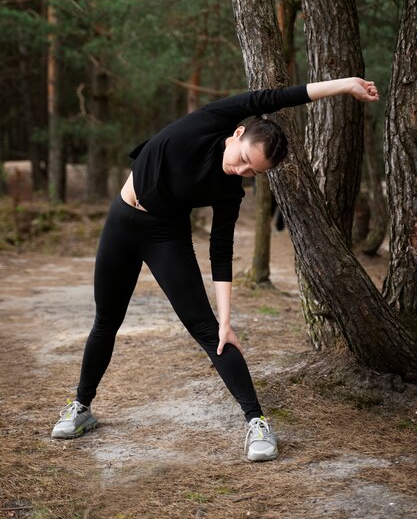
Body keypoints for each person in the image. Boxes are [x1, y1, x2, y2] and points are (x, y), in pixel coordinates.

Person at [51, 77, 379, 461]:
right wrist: (344, 86)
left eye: (252, 173)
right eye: (243, 159)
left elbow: (220, 253)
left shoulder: (229, 191)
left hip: (165, 236)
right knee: (106, 320)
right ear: (237, 133)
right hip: (122, 221)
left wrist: (227, 320)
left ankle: (257, 422)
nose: (241, 171)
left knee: (210, 331)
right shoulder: (213, 119)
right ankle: (81, 407)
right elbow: (276, 97)